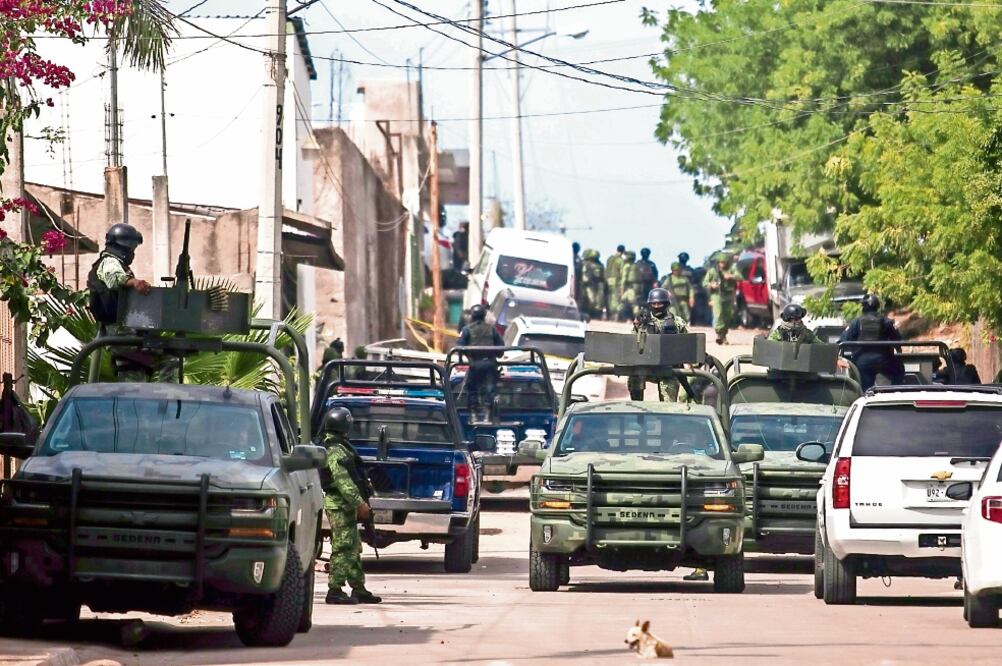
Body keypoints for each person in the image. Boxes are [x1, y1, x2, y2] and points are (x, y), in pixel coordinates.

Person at [320, 407, 381, 605]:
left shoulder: (341, 446)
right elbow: (342, 481)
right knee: (344, 546)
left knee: (353, 546)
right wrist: (359, 503)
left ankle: (358, 588)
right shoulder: (334, 450)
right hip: (340, 505)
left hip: (345, 504)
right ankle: (335, 590)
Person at [628, 288, 689, 402]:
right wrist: (638, 326)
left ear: (666, 304)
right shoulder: (643, 320)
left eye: (659, 303)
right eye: (654, 303)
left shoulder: (677, 322)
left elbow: (687, 343)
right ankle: (637, 410)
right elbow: (633, 342)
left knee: (668, 405)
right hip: (647, 366)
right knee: (634, 376)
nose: (656, 306)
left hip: (669, 368)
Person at [87, 223, 151, 326]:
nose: (133, 252)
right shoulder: (109, 262)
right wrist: (133, 282)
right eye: (132, 248)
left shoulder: (115, 262)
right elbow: (113, 277)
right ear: (124, 246)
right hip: (114, 328)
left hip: (117, 324)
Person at [839, 294, 904, 389]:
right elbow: (897, 340)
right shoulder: (886, 322)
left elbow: (845, 339)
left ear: (863, 306)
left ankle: (863, 395)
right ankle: (896, 391)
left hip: (862, 362)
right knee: (899, 369)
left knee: (863, 387)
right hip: (884, 360)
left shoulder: (856, 322)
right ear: (877, 306)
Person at [458, 304, 505, 421]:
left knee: (471, 387)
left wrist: (468, 355)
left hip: (475, 365)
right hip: (490, 365)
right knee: (490, 388)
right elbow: (501, 349)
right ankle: (488, 413)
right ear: (484, 316)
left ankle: (473, 413)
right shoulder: (492, 329)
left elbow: (459, 346)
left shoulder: (467, 329)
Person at [703, 253, 737, 345]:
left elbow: (740, 277)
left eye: (724, 262)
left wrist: (731, 276)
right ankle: (718, 334)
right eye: (721, 262)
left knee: (727, 316)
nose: (722, 264)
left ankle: (724, 335)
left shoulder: (731, 270)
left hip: (728, 296)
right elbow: (705, 283)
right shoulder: (712, 271)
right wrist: (711, 285)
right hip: (716, 295)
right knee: (718, 315)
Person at [580, 249, 608, 320]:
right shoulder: (587, 264)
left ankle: (595, 315)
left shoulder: (599, 265)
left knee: (596, 302)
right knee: (591, 300)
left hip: (596, 285)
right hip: (589, 285)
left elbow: (603, 277)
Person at [618, 251, 641, 321]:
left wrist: (621, 288)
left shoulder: (627, 266)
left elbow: (624, 278)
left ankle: (636, 318)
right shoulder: (636, 266)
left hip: (629, 287)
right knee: (633, 302)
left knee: (630, 303)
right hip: (637, 287)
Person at [605, 245, 627, 318]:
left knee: (609, 298)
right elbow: (622, 272)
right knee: (615, 299)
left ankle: (608, 314)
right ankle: (614, 315)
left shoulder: (610, 258)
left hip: (607, 280)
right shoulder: (620, 260)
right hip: (616, 281)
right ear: (623, 251)